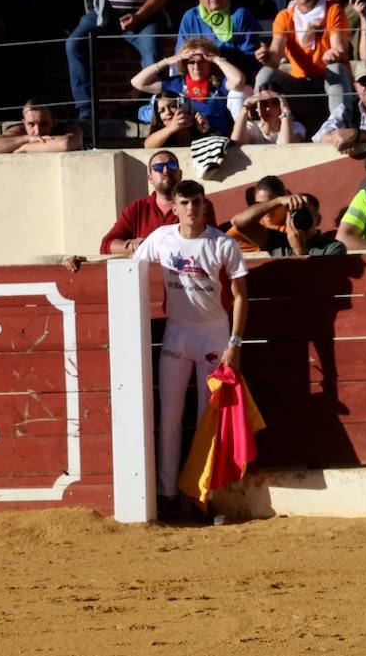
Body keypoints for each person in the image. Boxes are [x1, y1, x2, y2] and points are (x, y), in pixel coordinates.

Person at [81, 180, 248, 519]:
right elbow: (129, 269)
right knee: (169, 416)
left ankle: (204, 497)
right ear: (174, 208)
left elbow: (242, 295)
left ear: (204, 205)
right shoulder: (161, 238)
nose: (191, 209)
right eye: (184, 203)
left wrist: (234, 342)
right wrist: (83, 262)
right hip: (177, 334)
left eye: (197, 202)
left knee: (207, 421)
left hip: (214, 336)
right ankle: (168, 493)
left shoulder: (222, 244)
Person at [66, 0, 172, 119]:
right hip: (102, 15)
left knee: (152, 50)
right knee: (74, 44)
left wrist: (139, 16)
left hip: (142, 16)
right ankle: (86, 111)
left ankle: (149, 108)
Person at [257, 0, 353, 119]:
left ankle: (339, 125)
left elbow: (340, 50)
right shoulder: (284, 17)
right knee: (265, 73)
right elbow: (275, 56)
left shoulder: (333, 10)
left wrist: (334, 55)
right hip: (300, 86)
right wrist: (266, 55)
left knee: (335, 68)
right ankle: (263, 127)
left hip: (328, 82)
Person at [95, 151, 218, 254]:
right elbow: (106, 245)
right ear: (150, 178)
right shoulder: (137, 208)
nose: (166, 171)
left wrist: (151, 246)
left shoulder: (197, 204)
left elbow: (207, 243)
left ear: (180, 174)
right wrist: (135, 246)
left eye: (172, 166)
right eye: (158, 168)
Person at [132, 38, 248, 138]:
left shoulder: (219, 82)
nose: (196, 67)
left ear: (210, 63)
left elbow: (238, 81)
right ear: (184, 64)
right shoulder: (176, 83)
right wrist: (166, 61)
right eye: (191, 62)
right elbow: (138, 83)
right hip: (188, 141)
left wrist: (216, 59)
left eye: (202, 62)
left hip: (218, 137)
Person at [175, 0, 265, 78]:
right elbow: (181, 55)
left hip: (234, 77)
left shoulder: (240, 15)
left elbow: (249, 58)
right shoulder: (190, 17)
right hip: (199, 76)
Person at [232, 192, 347, 255]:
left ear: (318, 219)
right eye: (296, 215)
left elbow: (321, 285)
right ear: (288, 217)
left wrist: (300, 251)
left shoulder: (333, 248)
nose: (301, 220)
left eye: (306, 215)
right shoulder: (277, 240)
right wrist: (277, 201)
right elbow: (239, 223)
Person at [0, 99, 83, 154]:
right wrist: (26, 138)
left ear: (54, 121)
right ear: (23, 123)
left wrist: (25, 148)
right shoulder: (19, 131)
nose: (37, 131)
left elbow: (65, 144)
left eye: (43, 123)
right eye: (31, 124)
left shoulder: (67, 129)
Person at [227, 174, 290, 250]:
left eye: (270, 204)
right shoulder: (251, 224)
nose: (266, 211)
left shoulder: (293, 223)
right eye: (260, 205)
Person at [231, 85, 305, 143]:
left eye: (275, 103)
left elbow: (286, 147)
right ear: (257, 107)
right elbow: (236, 142)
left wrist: (285, 110)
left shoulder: (295, 127)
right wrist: (246, 104)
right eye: (264, 103)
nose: (268, 108)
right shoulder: (251, 127)